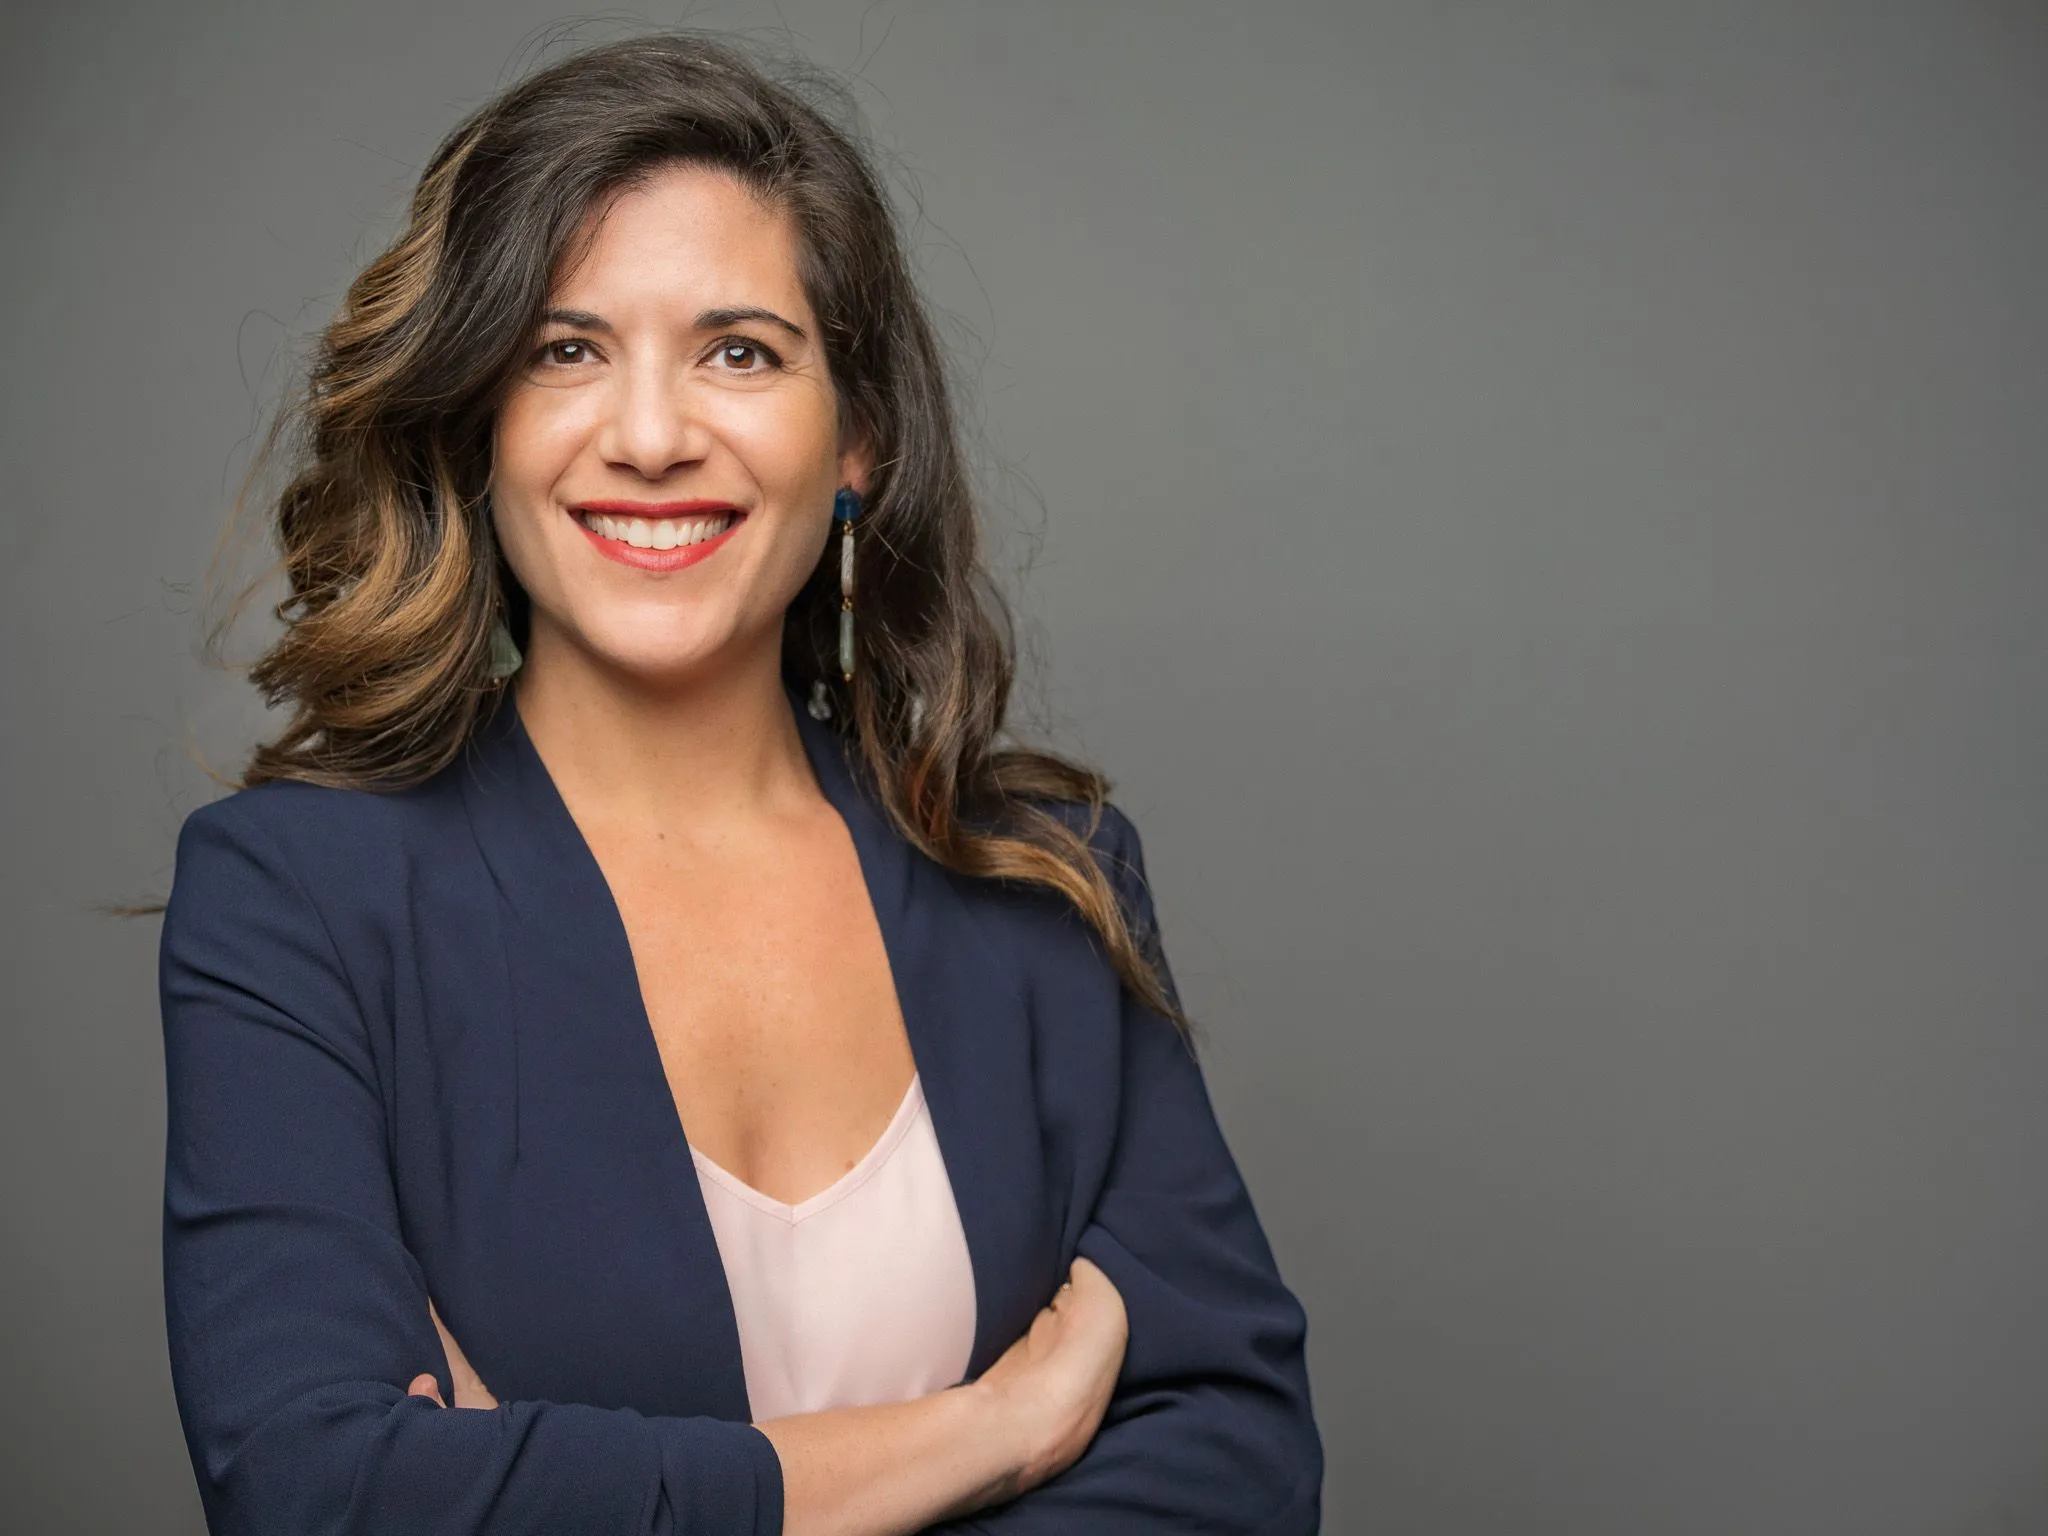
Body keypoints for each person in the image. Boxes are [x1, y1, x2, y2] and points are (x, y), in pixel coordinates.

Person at [158, 29, 1320, 1535]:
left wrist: (556, 1491)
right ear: (477, 423)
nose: (650, 437)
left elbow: (1238, 1466)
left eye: (741, 352)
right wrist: (991, 1433)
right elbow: (323, 1492)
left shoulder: (1046, 878)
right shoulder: (295, 898)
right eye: (565, 350)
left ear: (858, 439)